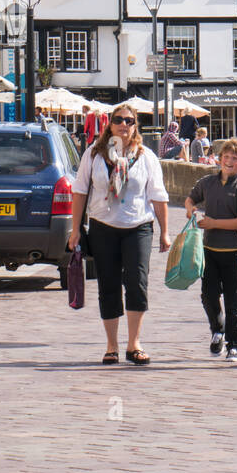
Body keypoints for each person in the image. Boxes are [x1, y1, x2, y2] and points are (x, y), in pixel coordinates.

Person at [69, 103, 170, 366]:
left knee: (137, 283)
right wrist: (75, 229)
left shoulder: (146, 156)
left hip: (138, 226)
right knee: (108, 285)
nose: (124, 125)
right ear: (109, 124)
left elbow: (158, 196)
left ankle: (134, 344)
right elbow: (79, 191)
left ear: (136, 125)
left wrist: (164, 232)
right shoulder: (93, 154)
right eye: (118, 120)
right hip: (103, 226)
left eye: (129, 120)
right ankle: (111, 345)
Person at [185, 139, 237, 363]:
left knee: (234, 300)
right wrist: (190, 209)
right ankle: (218, 329)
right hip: (208, 250)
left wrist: (214, 223)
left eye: (235, 158)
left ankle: (236, 345)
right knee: (208, 295)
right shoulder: (207, 182)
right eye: (226, 157)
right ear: (219, 158)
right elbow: (190, 198)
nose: (229, 161)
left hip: (234, 251)